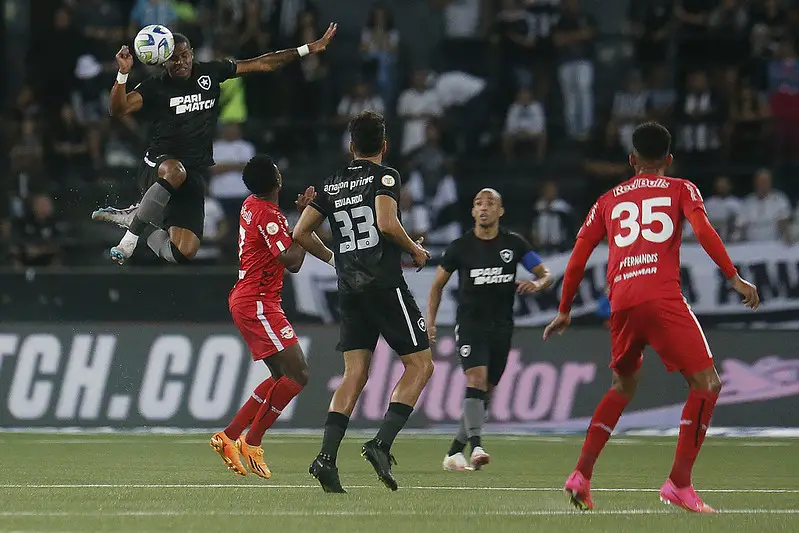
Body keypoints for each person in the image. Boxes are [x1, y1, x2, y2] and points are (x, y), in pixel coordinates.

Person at [543, 122, 760, 513]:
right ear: (670, 160)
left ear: (631, 160)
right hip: (660, 296)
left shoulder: (607, 200)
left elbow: (577, 258)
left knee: (622, 385)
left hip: (622, 301)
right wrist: (734, 277)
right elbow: (704, 229)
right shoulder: (681, 188)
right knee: (707, 384)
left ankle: (581, 474)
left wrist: (564, 309)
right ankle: (679, 482)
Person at [91, 24, 337, 265]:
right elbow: (117, 109)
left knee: (184, 251)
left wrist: (307, 49)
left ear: (192, 54)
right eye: (173, 59)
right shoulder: (156, 86)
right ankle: (130, 237)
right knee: (175, 170)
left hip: (194, 172)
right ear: (163, 61)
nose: (180, 62)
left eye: (184, 56)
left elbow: (263, 63)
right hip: (158, 166)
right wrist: (123, 73)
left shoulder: (210, 72)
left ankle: (141, 220)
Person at [292, 110, 434, 493]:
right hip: (384, 284)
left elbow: (300, 231)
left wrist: (333, 258)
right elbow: (387, 224)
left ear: (351, 146)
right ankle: (381, 443)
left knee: (355, 374)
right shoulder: (386, 176)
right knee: (420, 366)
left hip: (349, 289)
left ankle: (325, 458)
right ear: (384, 146)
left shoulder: (332, 183)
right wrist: (415, 251)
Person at [209, 154, 323, 479]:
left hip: (251, 298)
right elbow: (293, 260)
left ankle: (229, 436)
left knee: (280, 378)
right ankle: (252, 441)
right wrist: (306, 223)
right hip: (258, 302)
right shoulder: (269, 215)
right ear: (277, 180)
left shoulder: (250, 204)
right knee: (299, 374)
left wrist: (300, 221)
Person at [427, 188, 553, 472]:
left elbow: (545, 274)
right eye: (478, 203)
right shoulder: (461, 247)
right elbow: (436, 285)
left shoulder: (514, 244)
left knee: (486, 392)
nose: (483, 207)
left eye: (490, 203)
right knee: (476, 379)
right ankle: (477, 447)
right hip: (471, 325)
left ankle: (453, 452)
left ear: (501, 211)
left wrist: (538, 284)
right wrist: (431, 323)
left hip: (502, 327)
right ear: (472, 212)